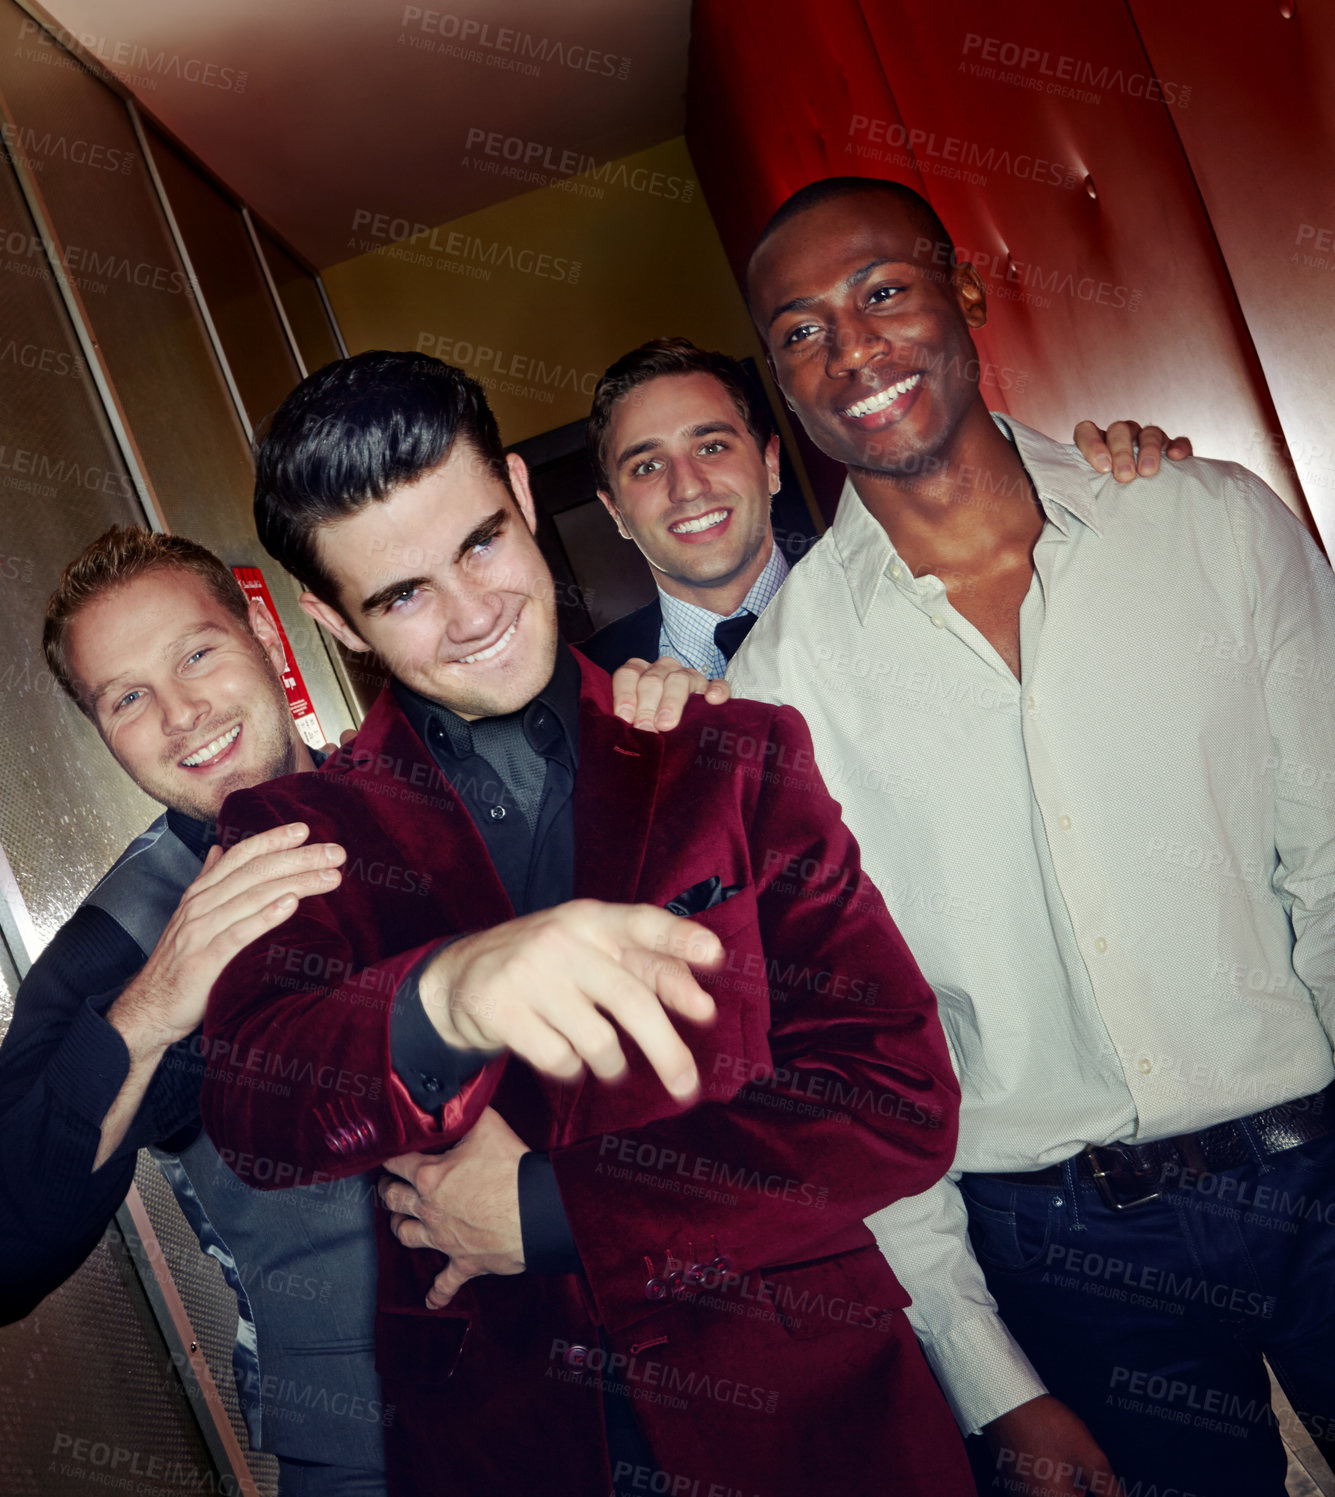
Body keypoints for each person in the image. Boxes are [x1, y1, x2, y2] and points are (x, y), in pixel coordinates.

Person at [201, 349, 969, 1497]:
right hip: (509, 1445)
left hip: (816, 1425)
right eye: (401, 595)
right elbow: (260, 1103)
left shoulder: (729, 751)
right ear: (333, 620)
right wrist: (445, 993)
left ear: (519, 493)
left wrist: (554, 1212)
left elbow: (894, 1098)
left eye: (480, 544)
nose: (473, 617)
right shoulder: (291, 828)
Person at [728, 174, 1335, 1497]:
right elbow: (852, 1056)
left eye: (879, 292)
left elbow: (1330, 863)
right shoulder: (779, 692)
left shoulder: (1203, 524)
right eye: (799, 333)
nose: (848, 350)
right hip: (1065, 1252)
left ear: (965, 290)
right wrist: (989, 1374)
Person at [0, 528, 388, 1495]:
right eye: (127, 697)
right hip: (377, 1448)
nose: (180, 715)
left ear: (263, 630)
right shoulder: (115, 947)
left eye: (197, 653)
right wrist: (152, 1010)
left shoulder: (429, 786)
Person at [579, 335, 1191, 679]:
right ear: (614, 512)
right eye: (648, 466)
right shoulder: (584, 694)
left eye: (711, 445)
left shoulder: (927, 591)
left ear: (769, 465)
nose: (687, 487)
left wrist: (1116, 483)